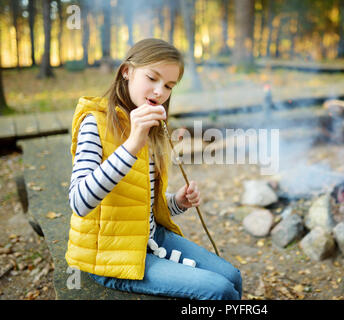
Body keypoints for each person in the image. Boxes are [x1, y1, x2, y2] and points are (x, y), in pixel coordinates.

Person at [65, 38, 242, 300]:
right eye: (152, 78)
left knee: (233, 277)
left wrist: (177, 202)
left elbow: (141, 204)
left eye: (169, 85)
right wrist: (131, 146)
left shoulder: (151, 127)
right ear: (126, 71)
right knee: (221, 291)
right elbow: (79, 202)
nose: (159, 91)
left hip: (149, 237)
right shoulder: (95, 123)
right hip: (111, 255)